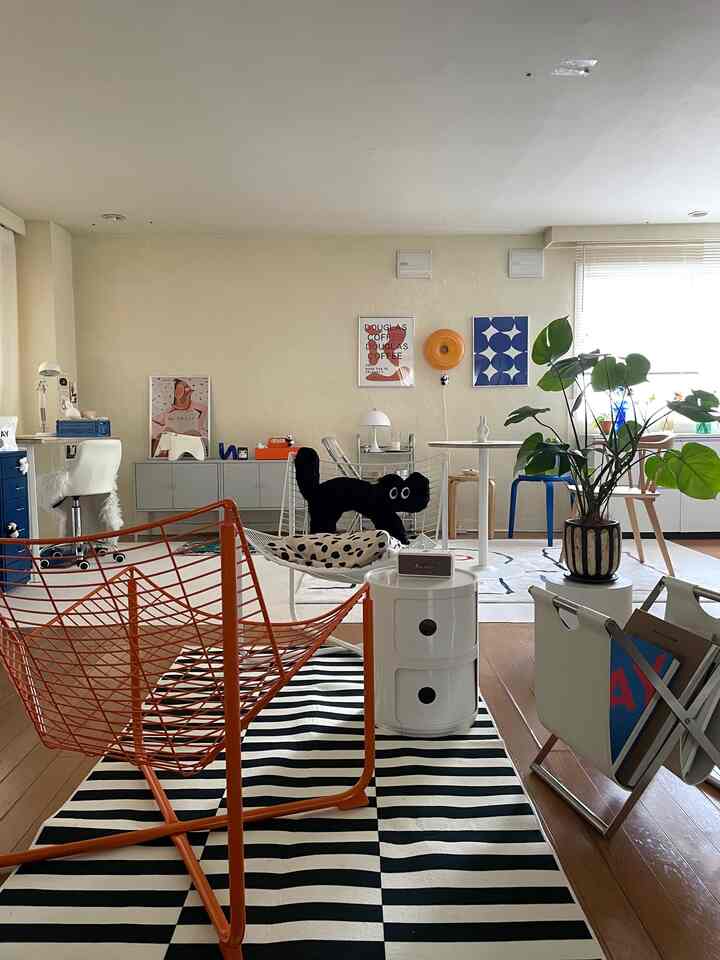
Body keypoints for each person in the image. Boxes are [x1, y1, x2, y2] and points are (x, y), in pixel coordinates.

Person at [151, 379, 208, 456]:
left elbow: (203, 429)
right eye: (180, 389)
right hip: (173, 447)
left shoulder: (201, 409)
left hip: (193, 446)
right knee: (166, 433)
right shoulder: (168, 412)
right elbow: (153, 423)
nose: (184, 391)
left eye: (185, 388)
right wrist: (164, 430)